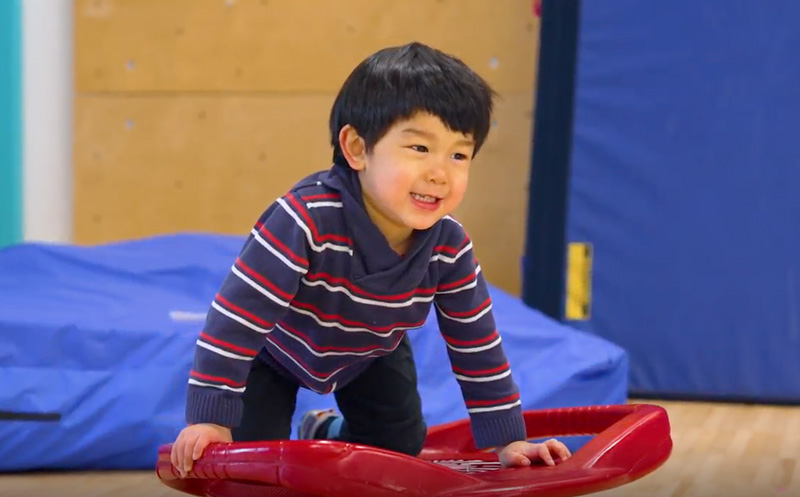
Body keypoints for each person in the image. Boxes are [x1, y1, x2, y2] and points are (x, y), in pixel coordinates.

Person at [170, 41, 571, 477]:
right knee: (253, 462)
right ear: (356, 149)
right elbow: (235, 319)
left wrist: (507, 439)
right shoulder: (303, 220)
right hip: (273, 350)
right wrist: (210, 417)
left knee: (399, 446)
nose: (440, 172)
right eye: (419, 148)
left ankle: (325, 429)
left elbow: (476, 344)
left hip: (372, 348)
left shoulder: (449, 244)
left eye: (458, 154)